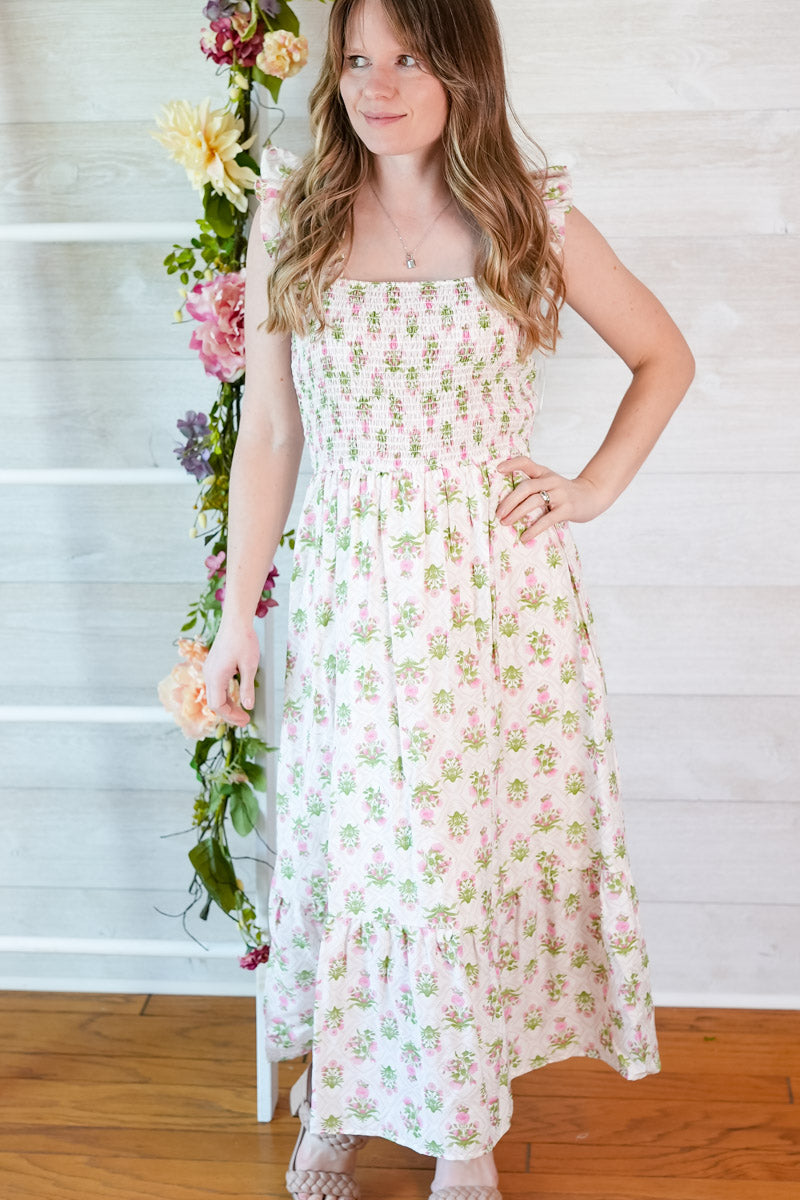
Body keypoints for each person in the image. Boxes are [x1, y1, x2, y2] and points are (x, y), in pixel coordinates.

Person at [202, 0, 695, 1196]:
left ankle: (462, 1120)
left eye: (407, 55)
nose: (376, 83)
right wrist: (233, 623)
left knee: (463, 858)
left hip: (494, 599)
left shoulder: (530, 214)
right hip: (355, 592)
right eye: (357, 58)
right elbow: (271, 429)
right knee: (368, 855)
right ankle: (338, 1096)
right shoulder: (296, 218)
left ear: (460, 63)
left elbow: (662, 356)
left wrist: (588, 488)